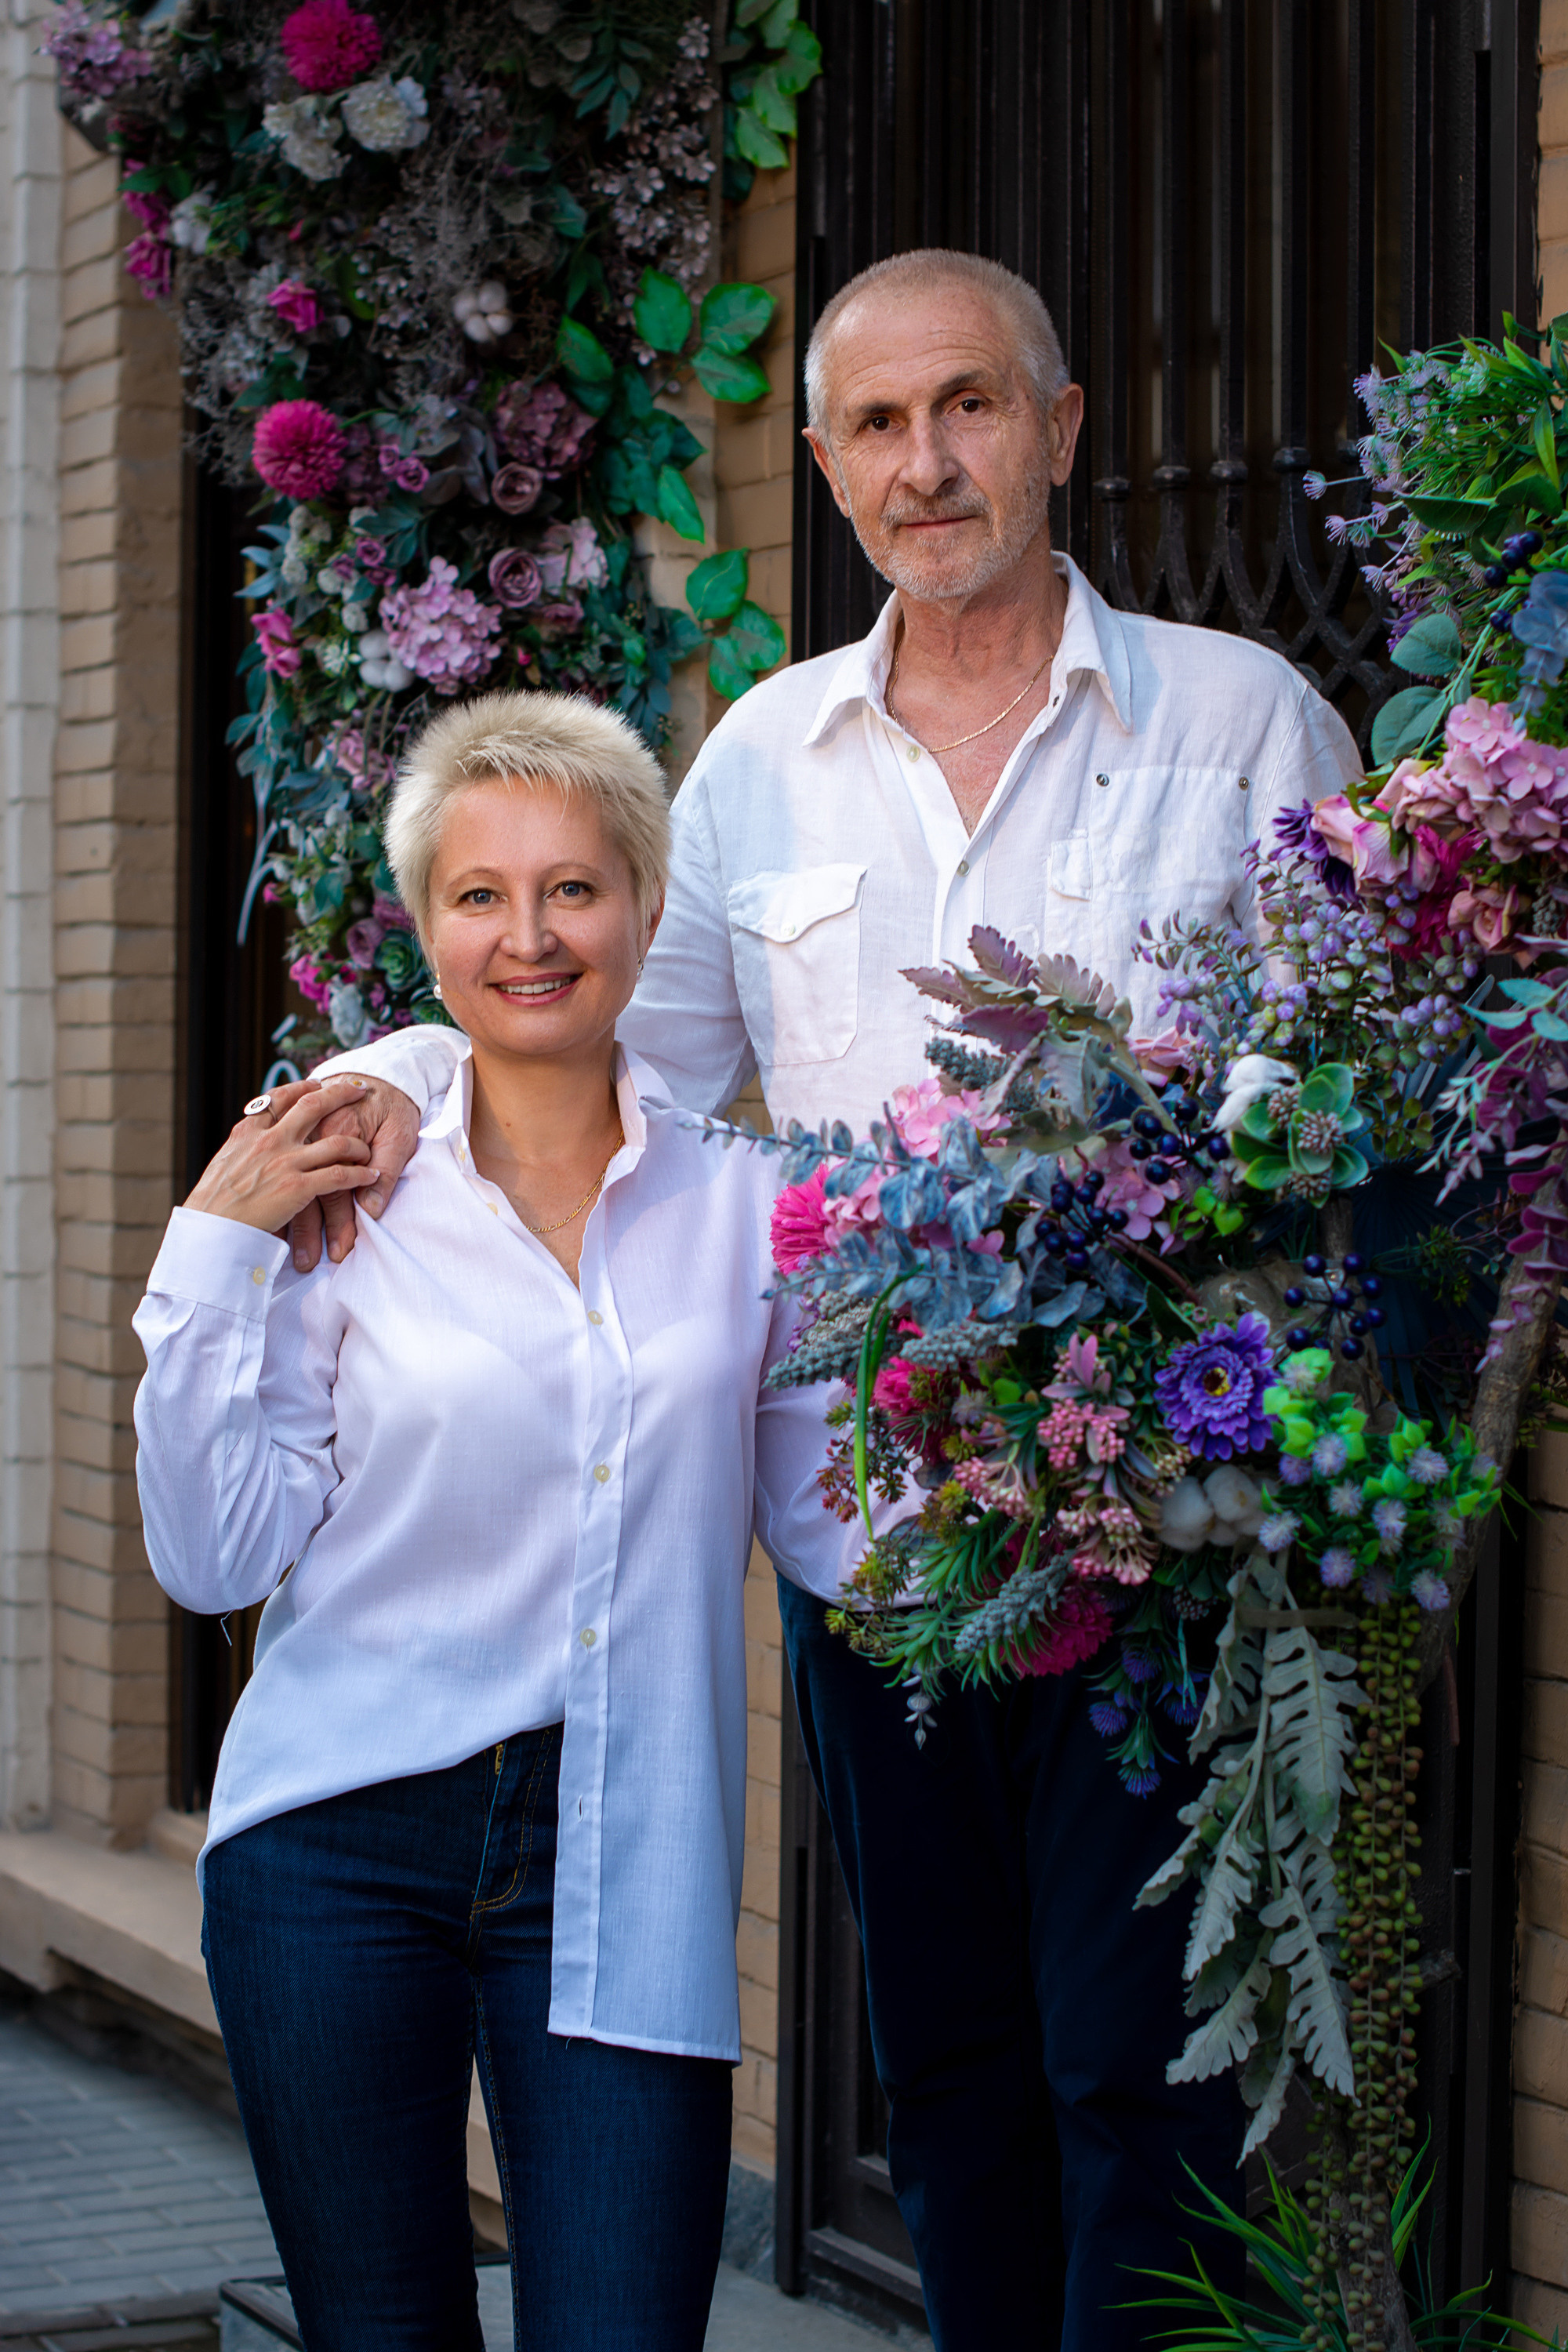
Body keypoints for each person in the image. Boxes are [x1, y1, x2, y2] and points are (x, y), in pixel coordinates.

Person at [295, 251, 1363, 2350]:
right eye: (877, 425)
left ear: (1061, 426)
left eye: (969, 405)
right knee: (953, 2064)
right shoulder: (762, 764)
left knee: (1144, 2071)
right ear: (824, 468)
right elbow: (630, 1080)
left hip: (1174, 1526)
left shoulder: (1245, 723)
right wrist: (369, 1110)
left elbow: (1354, 1098)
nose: (928, 460)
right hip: (883, 1535)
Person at [132, 692, 864, 2352]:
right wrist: (210, 1255)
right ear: (426, 927)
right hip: (335, 1843)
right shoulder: (347, 1195)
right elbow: (212, 1558)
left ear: (647, 909)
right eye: (479, 895)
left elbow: (845, 1530)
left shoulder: (754, 1209)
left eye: (573, 889)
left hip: (622, 1842)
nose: (528, 936)